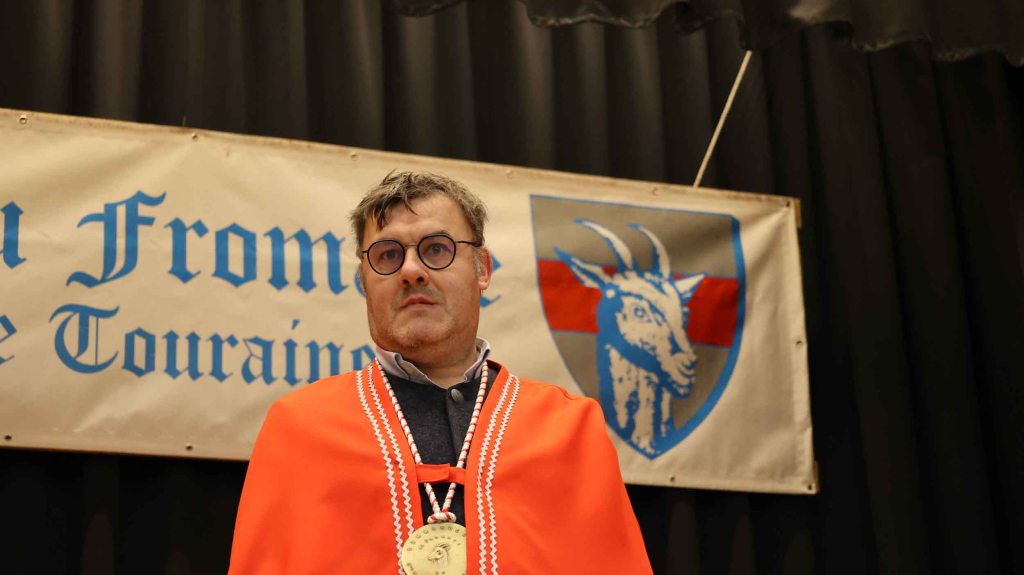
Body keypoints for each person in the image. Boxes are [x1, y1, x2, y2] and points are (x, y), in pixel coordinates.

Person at [228, 172, 652, 574]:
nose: (411, 271)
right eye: (387, 255)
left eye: (436, 249)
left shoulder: (570, 429)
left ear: (482, 269)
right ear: (363, 280)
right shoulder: (301, 428)